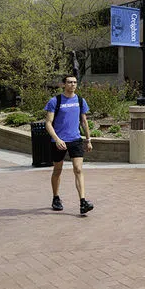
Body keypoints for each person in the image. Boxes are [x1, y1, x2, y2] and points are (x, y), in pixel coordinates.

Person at [44, 75, 94, 215]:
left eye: (74, 82)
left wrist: (88, 140)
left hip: (76, 140)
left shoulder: (80, 100)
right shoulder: (55, 101)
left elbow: (84, 122)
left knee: (78, 169)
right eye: (69, 82)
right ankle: (56, 197)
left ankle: (83, 202)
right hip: (59, 142)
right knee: (57, 170)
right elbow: (48, 123)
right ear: (64, 85)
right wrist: (57, 139)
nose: (72, 84)